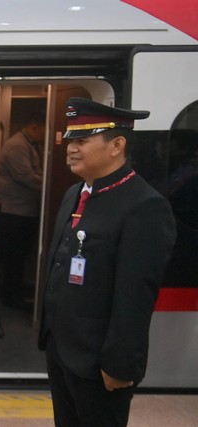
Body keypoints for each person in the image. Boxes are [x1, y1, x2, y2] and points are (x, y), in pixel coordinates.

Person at [38, 98, 176, 427]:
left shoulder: (144, 207)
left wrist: (120, 365)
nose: (71, 148)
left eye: (82, 140)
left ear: (117, 145)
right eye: (70, 139)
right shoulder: (74, 194)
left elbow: (135, 296)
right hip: (62, 351)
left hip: (100, 363)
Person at [0, 110, 45, 338]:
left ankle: (9, 295)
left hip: (21, 209)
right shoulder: (17, 146)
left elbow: (36, 172)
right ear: (35, 127)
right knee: (0, 255)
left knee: (17, 254)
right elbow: (27, 176)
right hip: (10, 209)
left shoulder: (32, 145)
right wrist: (49, 182)